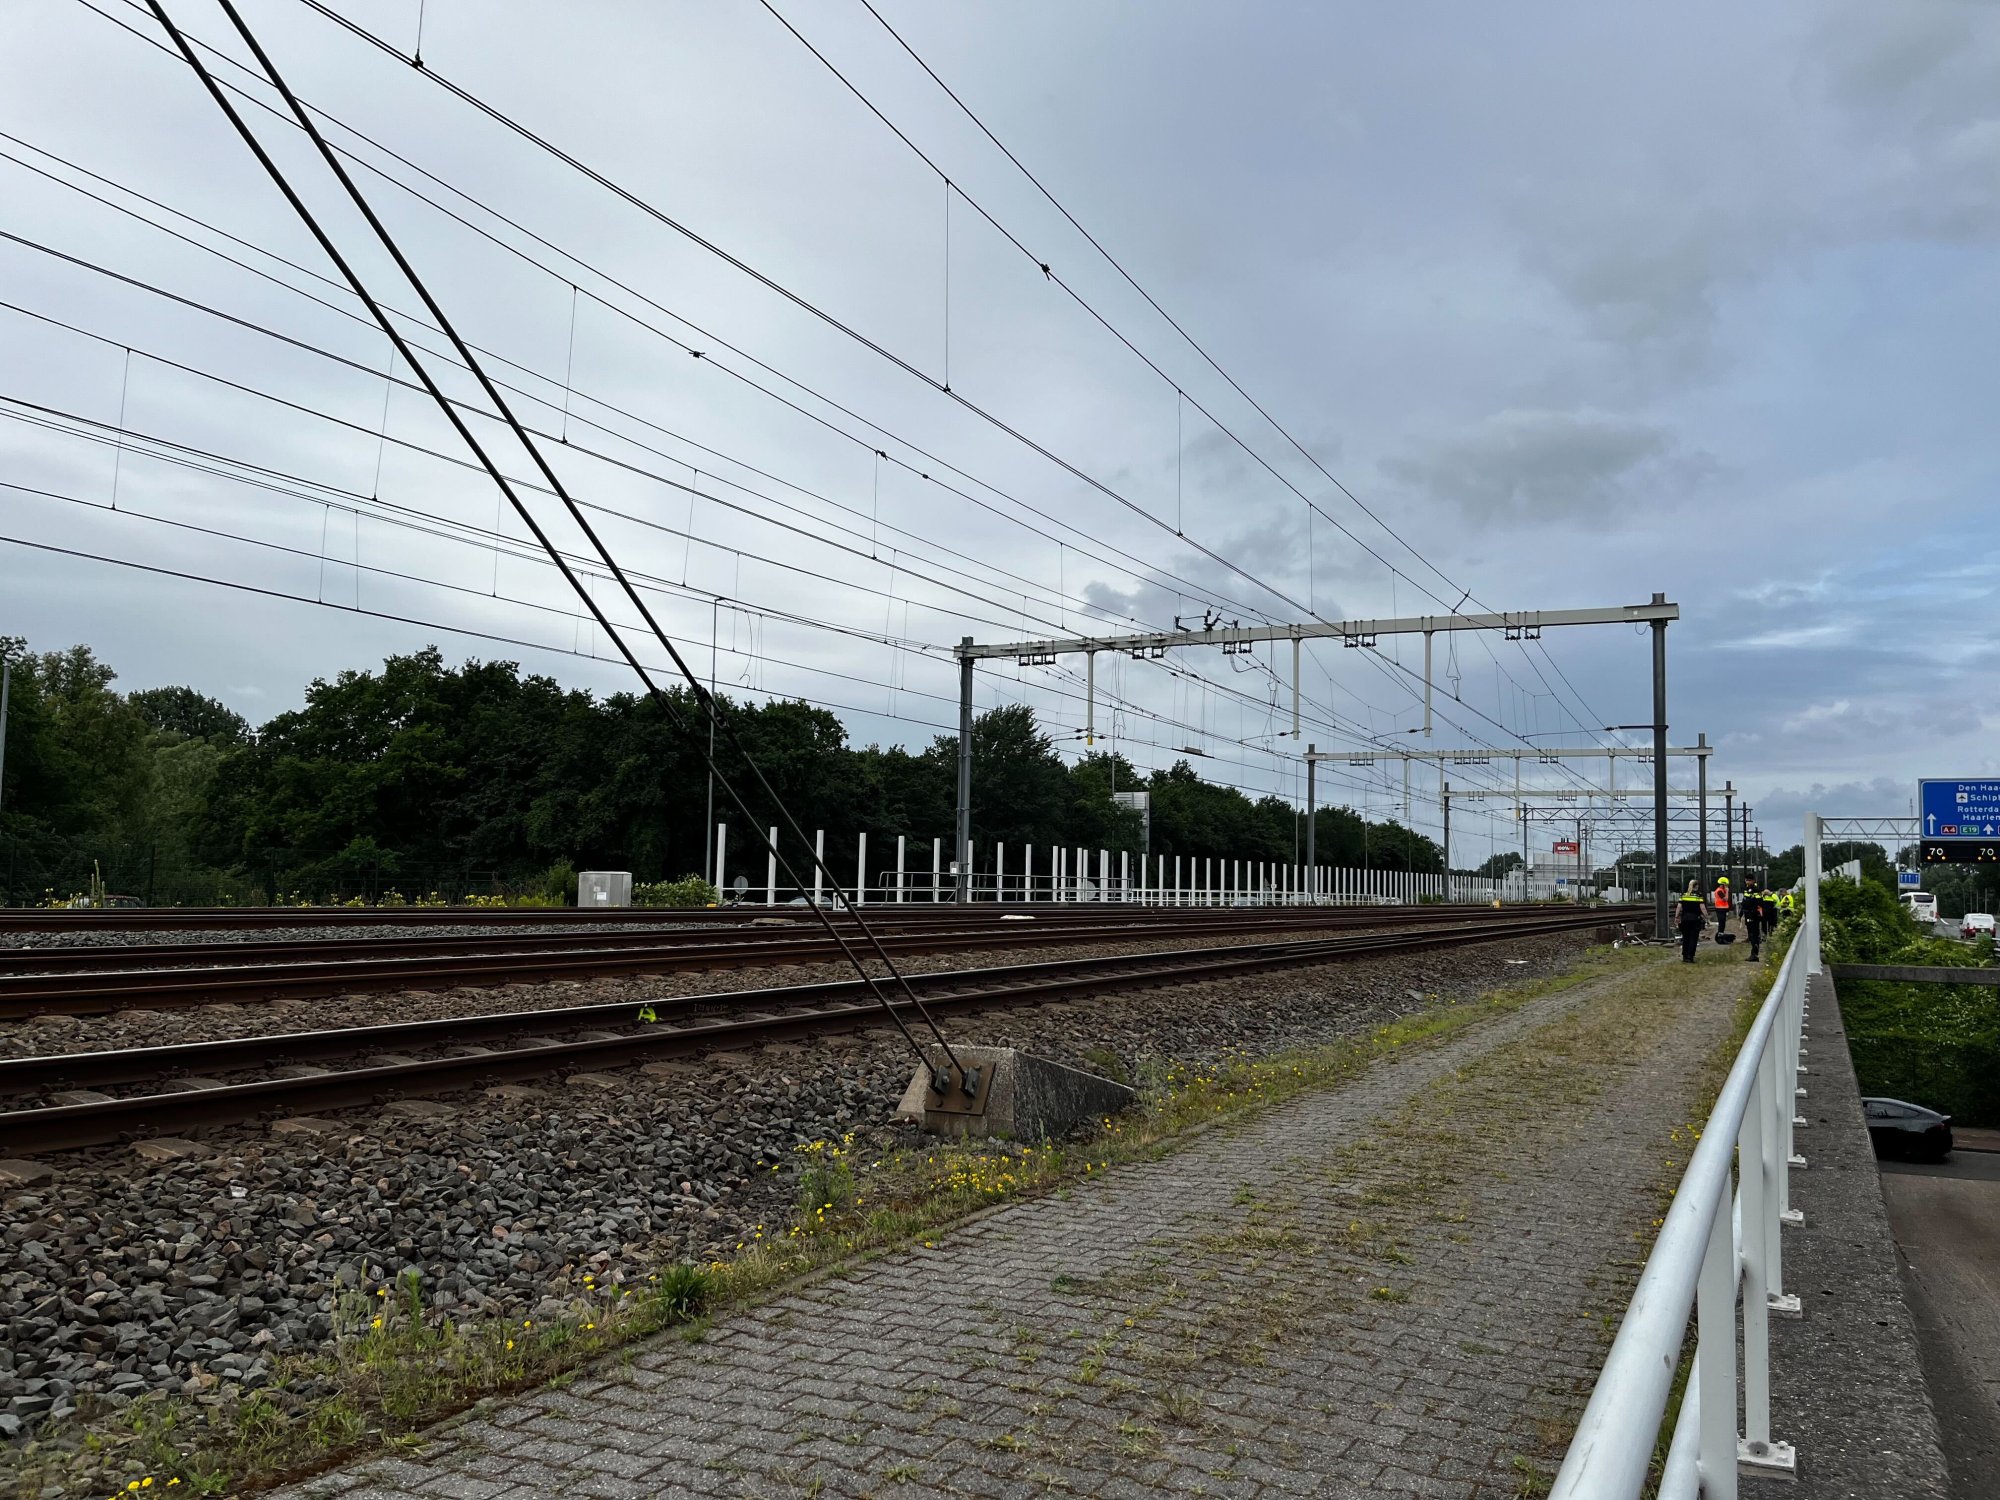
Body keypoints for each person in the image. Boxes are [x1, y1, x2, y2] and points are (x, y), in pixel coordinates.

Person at [1676, 880, 1707, 963]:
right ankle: (1690, 957)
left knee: (1685, 938)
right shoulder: (1698, 895)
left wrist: (1676, 917)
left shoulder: (1683, 895)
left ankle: (1684, 956)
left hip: (1685, 919)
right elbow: (1703, 908)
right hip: (1695, 919)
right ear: (1696, 886)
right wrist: (1706, 917)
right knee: (1693, 938)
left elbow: (1679, 907)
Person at [1743, 886, 1767, 961]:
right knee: (1754, 933)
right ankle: (1755, 950)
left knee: (1753, 934)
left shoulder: (1753, 897)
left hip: (1752, 916)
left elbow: (1746, 905)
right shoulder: (1759, 897)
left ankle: (1754, 953)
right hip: (1754, 916)